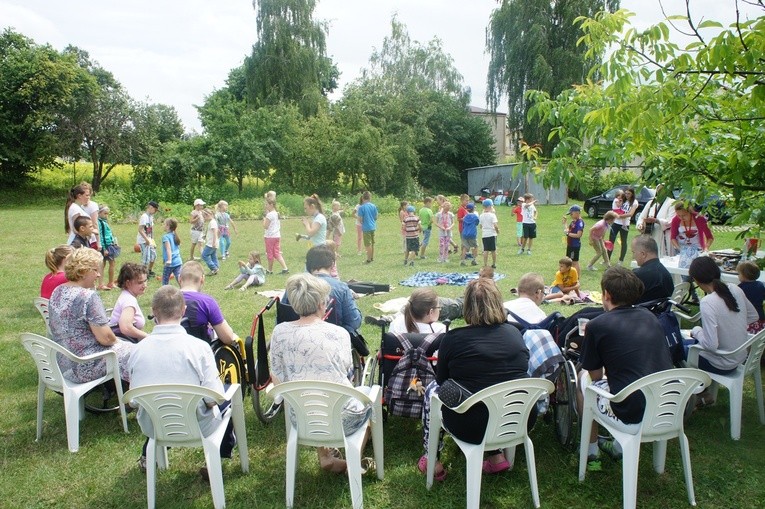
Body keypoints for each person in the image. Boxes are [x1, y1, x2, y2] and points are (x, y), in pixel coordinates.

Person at [418, 278, 530, 479]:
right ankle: (496, 456)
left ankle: (432, 459)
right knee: (493, 387)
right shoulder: (515, 333)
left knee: (432, 390)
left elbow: (442, 381)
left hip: (471, 425)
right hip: (518, 419)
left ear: (467, 306)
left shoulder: (453, 338)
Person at [269, 273, 373, 474]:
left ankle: (325, 454)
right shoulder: (338, 333)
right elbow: (347, 374)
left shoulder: (279, 332)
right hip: (342, 418)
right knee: (367, 403)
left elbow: (277, 378)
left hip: (301, 417)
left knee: (310, 389)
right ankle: (354, 461)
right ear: (320, 304)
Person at [128, 285, 236, 475]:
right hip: (198, 425)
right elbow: (214, 398)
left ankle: (148, 455)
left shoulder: (136, 351)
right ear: (183, 309)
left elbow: (134, 400)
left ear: (154, 312)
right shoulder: (200, 348)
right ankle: (219, 455)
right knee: (229, 393)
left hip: (154, 425)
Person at [578, 266, 673, 471]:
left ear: (606, 294)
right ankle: (620, 446)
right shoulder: (651, 317)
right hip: (668, 405)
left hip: (631, 411)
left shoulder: (597, 325)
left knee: (582, 380)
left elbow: (595, 376)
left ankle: (591, 453)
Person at [48, 248, 134, 383]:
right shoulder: (87, 296)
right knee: (137, 352)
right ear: (82, 271)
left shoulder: (57, 291)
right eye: (95, 270)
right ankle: (138, 397)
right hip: (85, 364)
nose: (99, 275)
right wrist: (122, 343)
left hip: (63, 364)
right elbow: (106, 338)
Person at [686, 257, 758, 383]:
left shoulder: (708, 302)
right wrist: (730, 325)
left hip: (722, 363)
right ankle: (701, 392)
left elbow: (711, 346)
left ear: (696, 280)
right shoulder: (735, 288)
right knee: (688, 344)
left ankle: (699, 393)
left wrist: (697, 330)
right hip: (739, 357)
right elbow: (753, 316)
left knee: (677, 349)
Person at [280, 245, 363, 340]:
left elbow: (282, 319)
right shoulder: (340, 288)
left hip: (296, 339)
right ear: (332, 264)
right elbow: (354, 321)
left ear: (307, 264)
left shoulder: (295, 286)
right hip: (333, 341)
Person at [178, 261, 239, 346]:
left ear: (179, 279)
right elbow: (227, 338)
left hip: (174, 349)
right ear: (202, 279)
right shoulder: (207, 302)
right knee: (235, 338)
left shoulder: (166, 300)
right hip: (201, 350)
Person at [108, 263, 149, 342]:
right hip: (124, 342)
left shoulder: (126, 296)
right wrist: (148, 336)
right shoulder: (129, 301)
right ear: (128, 283)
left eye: (145, 281)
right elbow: (126, 328)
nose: (145, 285)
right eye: (140, 282)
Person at [670, 201, 714, 269]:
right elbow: (673, 238)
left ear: (690, 212)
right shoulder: (675, 220)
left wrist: (706, 248)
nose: (681, 218)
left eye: (684, 215)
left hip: (698, 250)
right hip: (682, 251)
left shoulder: (700, 218)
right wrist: (679, 249)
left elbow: (710, 237)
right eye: (679, 215)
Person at [636, 184, 675, 258]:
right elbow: (641, 217)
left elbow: (671, 221)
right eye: (659, 191)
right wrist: (640, 225)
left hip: (664, 236)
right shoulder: (651, 203)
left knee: (664, 258)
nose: (661, 193)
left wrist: (656, 221)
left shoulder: (672, 203)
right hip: (651, 235)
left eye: (663, 191)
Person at [631, 235, 673, 303]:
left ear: (643, 254)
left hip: (640, 312)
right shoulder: (666, 273)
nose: (633, 257)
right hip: (662, 311)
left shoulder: (638, 275)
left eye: (633, 252)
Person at [607, 187, 638, 265]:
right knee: (611, 240)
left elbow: (630, 214)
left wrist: (619, 216)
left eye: (629, 194)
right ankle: (607, 259)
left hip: (625, 224)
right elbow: (616, 206)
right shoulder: (622, 199)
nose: (627, 195)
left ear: (632, 194)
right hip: (616, 223)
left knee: (623, 242)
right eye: (626, 193)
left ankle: (621, 260)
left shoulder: (634, 202)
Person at [263, 197, 289, 275]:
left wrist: (263, 220)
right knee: (277, 253)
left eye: (266, 204)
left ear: (271, 205)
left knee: (270, 253)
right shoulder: (277, 213)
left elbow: (265, 226)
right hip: (277, 236)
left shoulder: (269, 215)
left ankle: (270, 270)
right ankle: (285, 268)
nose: (265, 206)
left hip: (270, 237)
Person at [737, 261, 765, 334]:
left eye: (739, 274)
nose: (738, 276)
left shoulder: (740, 288)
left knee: (748, 339)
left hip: (748, 319)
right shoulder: (760, 285)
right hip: (761, 317)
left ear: (744, 275)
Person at [97, 205, 119, 290]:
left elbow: (110, 233)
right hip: (105, 246)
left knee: (106, 263)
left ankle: (107, 282)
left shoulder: (104, 221)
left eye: (107, 214)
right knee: (107, 263)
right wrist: (104, 248)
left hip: (110, 244)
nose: (106, 215)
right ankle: (108, 283)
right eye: (105, 213)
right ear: (99, 213)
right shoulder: (100, 223)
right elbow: (101, 236)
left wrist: (114, 241)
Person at [136, 200, 158, 277]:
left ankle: (149, 270)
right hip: (143, 241)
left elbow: (150, 229)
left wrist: (152, 240)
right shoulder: (144, 217)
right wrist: (146, 240)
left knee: (153, 256)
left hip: (149, 239)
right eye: (155, 210)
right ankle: (143, 274)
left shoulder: (150, 217)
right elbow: (140, 229)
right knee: (145, 258)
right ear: (151, 208)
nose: (155, 212)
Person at [357, 191, 378, 264]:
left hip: (366, 227)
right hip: (373, 226)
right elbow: (376, 217)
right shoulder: (373, 206)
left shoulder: (361, 207)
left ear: (362, 198)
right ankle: (372, 257)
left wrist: (362, 222)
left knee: (367, 244)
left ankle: (368, 259)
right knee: (372, 243)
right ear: (370, 198)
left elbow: (360, 219)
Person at [563, 205, 585, 274]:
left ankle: (577, 278)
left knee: (575, 262)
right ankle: (571, 275)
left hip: (575, 245)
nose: (570, 215)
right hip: (570, 244)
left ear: (577, 213)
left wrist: (568, 234)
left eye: (571, 214)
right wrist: (565, 223)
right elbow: (568, 231)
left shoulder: (580, 223)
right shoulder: (573, 222)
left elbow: (578, 235)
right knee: (569, 260)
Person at [161, 218, 182, 286]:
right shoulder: (175, 235)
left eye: (164, 224)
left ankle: (165, 295)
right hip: (178, 262)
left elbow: (168, 249)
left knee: (165, 282)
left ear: (168, 226)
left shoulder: (165, 237)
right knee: (180, 280)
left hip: (170, 264)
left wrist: (169, 260)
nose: (163, 225)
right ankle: (185, 291)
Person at [479, 199, 499, 268]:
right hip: (492, 234)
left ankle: (485, 264)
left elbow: (480, 226)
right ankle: (494, 263)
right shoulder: (492, 215)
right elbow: (495, 225)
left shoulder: (481, 215)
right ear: (490, 206)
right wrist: (497, 231)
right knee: (493, 250)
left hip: (484, 234)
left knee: (486, 250)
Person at [460, 202, 479, 266]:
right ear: (473, 209)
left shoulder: (465, 217)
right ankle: (474, 260)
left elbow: (463, 224)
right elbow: (477, 223)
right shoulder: (475, 217)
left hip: (465, 233)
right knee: (475, 246)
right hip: (472, 234)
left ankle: (463, 261)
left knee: (465, 247)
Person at [200, 208, 219, 276]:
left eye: (204, 216)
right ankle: (216, 268)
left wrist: (213, 242)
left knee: (204, 255)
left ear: (209, 215)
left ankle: (214, 268)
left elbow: (215, 233)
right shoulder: (212, 222)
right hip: (214, 243)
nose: (204, 218)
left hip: (211, 243)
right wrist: (205, 236)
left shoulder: (212, 222)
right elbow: (211, 232)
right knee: (213, 255)